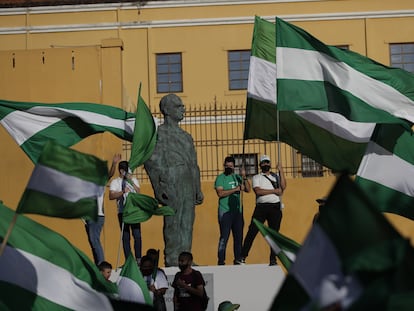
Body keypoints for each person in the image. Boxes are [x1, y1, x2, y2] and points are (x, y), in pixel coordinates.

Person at [145, 94, 204, 267]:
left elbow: (194, 163)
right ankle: (172, 258)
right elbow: (152, 161)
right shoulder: (159, 134)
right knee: (173, 222)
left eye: (182, 105)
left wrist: (197, 188)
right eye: (178, 106)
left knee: (187, 222)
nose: (182, 108)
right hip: (170, 179)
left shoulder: (186, 136)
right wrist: (158, 186)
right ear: (166, 110)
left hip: (187, 180)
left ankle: (186, 259)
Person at [239, 155, 287, 266]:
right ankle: (243, 256)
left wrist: (281, 171)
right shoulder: (257, 177)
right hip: (261, 208)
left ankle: (273, 259)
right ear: (260, 165)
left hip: (275, 207)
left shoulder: (276, 176)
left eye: (267, 162)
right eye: (263, 163)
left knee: (274, 235)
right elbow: (258, 191)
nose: (265, 164)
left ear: (270, 164)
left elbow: (283, 187)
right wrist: (275, 191)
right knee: (252, 231)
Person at [85, 153, 121, 265]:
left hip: (97, 216)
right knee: (93, 241)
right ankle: (98, 262)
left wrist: (114, 163)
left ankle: (101, 264)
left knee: (94, 240)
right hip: (90, 217)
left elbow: (110, 174)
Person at [214, 156, 251, 265]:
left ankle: (238, 258)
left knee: (238, 237)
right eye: (227, 166)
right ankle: (221, 260)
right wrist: (235, 189)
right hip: (225, 211)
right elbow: (220, 193)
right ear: (224, 166)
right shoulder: (220, 178)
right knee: (224, 237)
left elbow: (248, 189)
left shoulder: (237, 177)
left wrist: (244, 177)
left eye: (231, 166)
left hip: (237, 212)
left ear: (234, 166)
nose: (229, 168)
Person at [109, 160, 142, 262]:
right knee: (125, 236)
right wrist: (122, 191)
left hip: (133, 211)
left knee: (137, 235)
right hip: (123, 211)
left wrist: (131, 181)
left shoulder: (133, 179)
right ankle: (128, 260)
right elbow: (111, 195)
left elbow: (138, 192)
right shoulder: (115, 182)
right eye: (125, 171)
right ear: (121, 171)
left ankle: (138, 259)